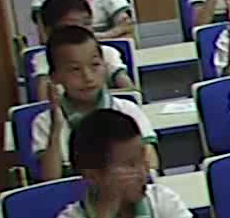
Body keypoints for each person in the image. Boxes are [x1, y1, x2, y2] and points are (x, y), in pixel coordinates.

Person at [55, 111, 210, 218]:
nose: (143, 172)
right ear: (93, 176)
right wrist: (106, 213)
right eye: (130, 165)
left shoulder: (161, 199)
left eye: (143, 159)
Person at [34, 25, 158, 179]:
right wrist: (56, 128)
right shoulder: (45, 122)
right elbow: (50, 180)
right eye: (75, 69)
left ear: (105, 66)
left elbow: (150, 163)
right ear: (54, 77)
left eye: (95, 65)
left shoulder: (126, 110)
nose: (87, 77)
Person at [29, 0, 133, 102]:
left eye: (87, 23)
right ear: (49, 31)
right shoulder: (44, 59)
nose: (82, 30)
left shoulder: (108, 53)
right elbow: (44, 101)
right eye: (72, 26)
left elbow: (129, 91)